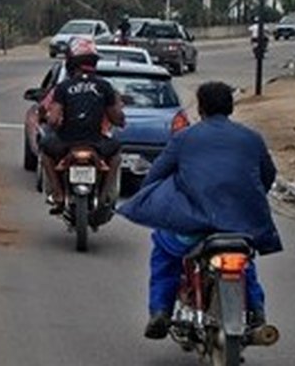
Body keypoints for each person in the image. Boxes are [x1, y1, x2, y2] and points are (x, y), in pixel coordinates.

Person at [119, 81, 282, 340]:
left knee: (164, 253)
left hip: (193, 227)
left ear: (201, 107)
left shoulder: (184, 138)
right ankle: (258, 312)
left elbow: (157, 175)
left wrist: (147, 198)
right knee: (246, 264)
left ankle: (161, 311)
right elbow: (268, 176)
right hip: (241, 225)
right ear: (230, 106)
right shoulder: (252, 138)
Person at [39, 36, 125, 214]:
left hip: (66, 141)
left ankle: (58, 195)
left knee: (45, 151)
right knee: (116, 154)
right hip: (96, 142)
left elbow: (53, 119)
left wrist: (48, 121)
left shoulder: (63, 87)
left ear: (71, 62)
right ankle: (104, 197)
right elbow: (116, 118)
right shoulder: (105, 87)